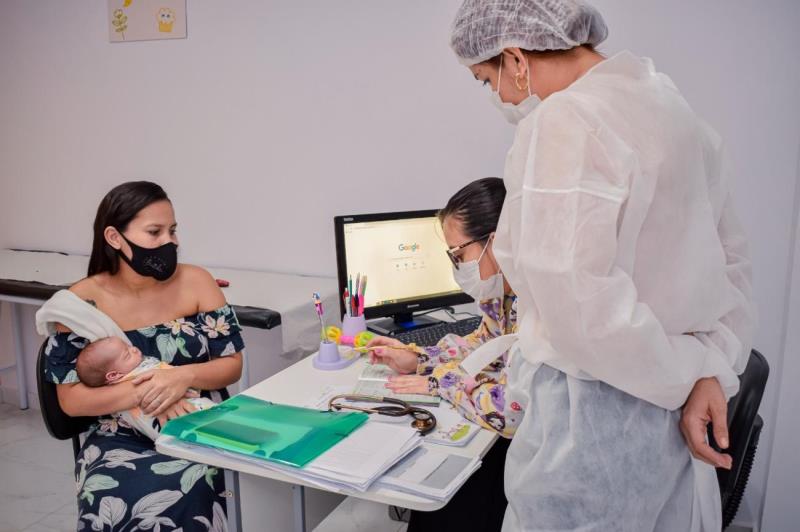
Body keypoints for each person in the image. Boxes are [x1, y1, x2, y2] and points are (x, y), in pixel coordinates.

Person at [448, 2, 755, 531]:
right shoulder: (670, 107)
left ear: (515, 59)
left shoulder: (564, 121)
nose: (499, 97)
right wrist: (709, 367)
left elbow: (579, 308)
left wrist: (689, 372)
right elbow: (733, 263)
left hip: (592, 428)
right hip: (670, 427)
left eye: (485, 80)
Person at [43, 181, 244, 531]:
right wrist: (149, 393)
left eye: (173, 230)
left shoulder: (198, 282)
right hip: (118, 433)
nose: (171, 241)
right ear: (114, 237)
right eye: (155, 232)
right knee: (124, 497)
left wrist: (182, 377)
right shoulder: (79, 306)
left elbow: (231, 365)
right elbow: (71, 401)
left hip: (197, 420)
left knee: (206, 484)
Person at [368, 177, 517, 531]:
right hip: (511, 445)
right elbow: (485, 343)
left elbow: (510, 408)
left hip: (526, 453)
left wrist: (439, 384)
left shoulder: (538, 305)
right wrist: (418, 358)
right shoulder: (503, 292)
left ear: (497, 242)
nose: (457, 266)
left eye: (459, 254)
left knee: (445, 494)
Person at [75, 336, 217, 440]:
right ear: (114, 375)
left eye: (129, 346)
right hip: (183, 418)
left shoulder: (130, 372)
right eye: (127, 354)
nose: (134, 349)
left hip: (175, 428)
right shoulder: (135, 377)